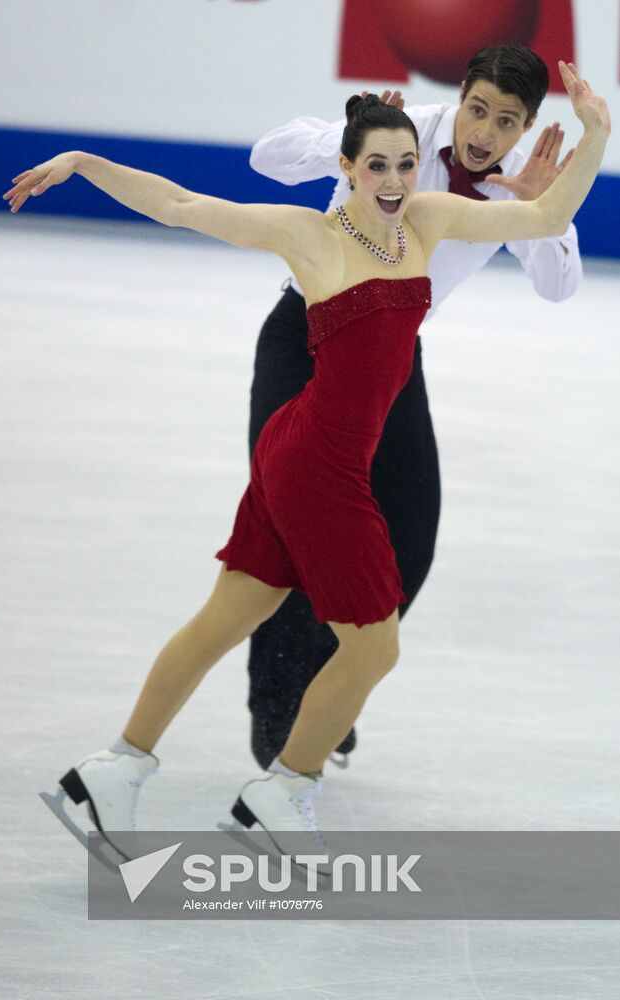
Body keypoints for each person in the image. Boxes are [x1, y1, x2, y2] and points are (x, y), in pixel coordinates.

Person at [5, 62, 609, 856]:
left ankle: (114, 770)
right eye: (375, 166)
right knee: (375, 645)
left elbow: (544, 216)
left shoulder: (430, 218)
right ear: (347, 169)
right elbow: (183, 205)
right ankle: (282, 788)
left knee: (229, 614)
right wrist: (82, 163)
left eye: (402, 165)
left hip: (314, 451)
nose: (392, 182)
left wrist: (595, 132)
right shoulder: (310, 237)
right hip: (316, 465)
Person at [246, 45, 583, 769]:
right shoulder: (392, 136)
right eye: (477, 110)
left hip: (388, 356)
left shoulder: (514, 187)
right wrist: (348, 141)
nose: (485, 132)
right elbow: (264, 157)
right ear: (458, 98)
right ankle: (276, 711)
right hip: (303, 338)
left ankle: (331, 681)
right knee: (288, 533)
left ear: (524, 127)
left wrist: (535, 209)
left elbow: (559, 286)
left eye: (506, 120)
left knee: (408, 537)